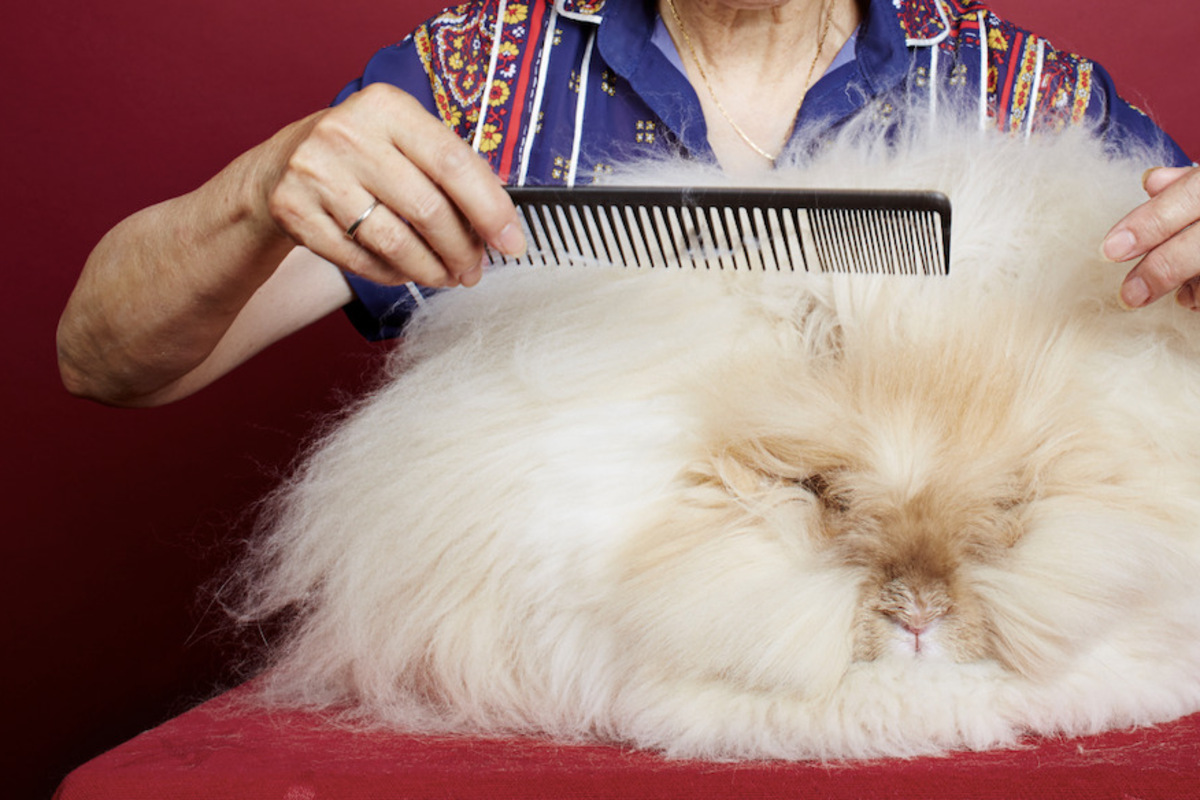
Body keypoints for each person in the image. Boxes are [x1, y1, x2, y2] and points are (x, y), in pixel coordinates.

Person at [57, 0, 1199, 408]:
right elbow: (107, 362)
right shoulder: (469, 84)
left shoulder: (1030, 99)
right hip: (562, 679)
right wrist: (258, 190)